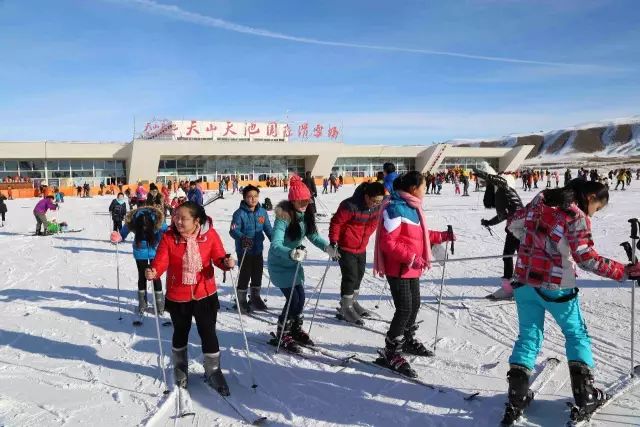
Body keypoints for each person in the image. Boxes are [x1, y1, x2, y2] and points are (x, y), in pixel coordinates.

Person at [502, 179, 640, 423]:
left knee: (528, 336)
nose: (594, 213)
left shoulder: (543, 198)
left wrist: (536, 241)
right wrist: (625, 271)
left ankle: (517, 396)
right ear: (589, 198)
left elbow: (513, 223)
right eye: (597, 208)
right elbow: (586, 257)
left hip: (524, 279)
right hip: (557, 286)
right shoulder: (575, 214)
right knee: (576, 334)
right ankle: (585, 394)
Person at [145, 201, 235, 396]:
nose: (177, 221)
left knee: (208, 332)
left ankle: (213, 370)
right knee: (180, 332)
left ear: (196, 220)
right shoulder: (169, 237)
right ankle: (180, 366)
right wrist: (154, 271)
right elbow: (161, 261)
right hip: (179, 295)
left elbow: (219, 257)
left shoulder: (209, 235)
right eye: (176, 216)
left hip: (205, 293)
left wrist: (226, 263)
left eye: (183, 218)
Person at [373, 171, 455, 376]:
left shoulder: (413, 208)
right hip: (399, 268)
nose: (425, 190)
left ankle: (406, 338)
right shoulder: (394, 209)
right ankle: (391, 351)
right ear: (412, 188)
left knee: (415, 305)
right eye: (423, 186)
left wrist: (443, 236)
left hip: (411, 268)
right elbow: (388, 242)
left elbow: (421, 236)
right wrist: (410, 257)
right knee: (404, 309)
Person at [267, 175, 339, 352]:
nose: (304, 204)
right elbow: (275, 245)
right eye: (300, 201)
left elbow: (313, 236)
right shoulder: (283, 218)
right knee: (293, 299)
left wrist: (328, 248)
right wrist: (290, 253)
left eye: (306, 200)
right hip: (280, 263)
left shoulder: (306, 216)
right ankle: (282, 332)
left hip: (294, 263)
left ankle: (294, 328)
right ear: (292, 201)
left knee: (300, 299)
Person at [329, 182, 385, 324]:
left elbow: (374, 223)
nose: (376, 204)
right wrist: (334, 242)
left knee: (359, 275)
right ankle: (345, 307)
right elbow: (336, 223)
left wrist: (364, 237)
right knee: (350, 276)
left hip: (361, 247)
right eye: (374, 201)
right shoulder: (349, 205)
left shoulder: (376, 207)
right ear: (366, 196)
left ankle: (353, 303)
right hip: (346, 247)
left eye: (379, 201)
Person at [110, 206, 168, 314]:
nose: (145, 231)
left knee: (155, 275)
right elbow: (123, 233)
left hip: (155, 250)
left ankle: (160, 305)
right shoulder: (133, 221)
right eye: (142, 229)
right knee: (142, 275)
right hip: (140, 250)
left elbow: (168, 231)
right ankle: (142, 304)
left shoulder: (158, 221)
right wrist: (118, 237)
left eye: (148, 229)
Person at [476, 170, 523, 300]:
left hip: (521, 231)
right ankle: (508, 288)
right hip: (513, 231)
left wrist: (488, 177)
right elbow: (502, 216)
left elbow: (501, 182)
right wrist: (489, 222)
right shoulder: (505, 195)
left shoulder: (506, 191)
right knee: (507, 257)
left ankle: (523, 289)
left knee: (522, 259)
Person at [229, 185, 273, 313]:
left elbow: (268, 228)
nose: (253, 199)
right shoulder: (239, 213)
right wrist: (243, 238)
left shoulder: (262, 212)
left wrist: (274, 239)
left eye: (255, 196)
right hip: (244, 250)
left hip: (258, 248)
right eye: (249, 197)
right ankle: (241, 299)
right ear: (244, 198)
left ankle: (255, 297)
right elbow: (233, 230)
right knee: (245, 274)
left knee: (257, 273)